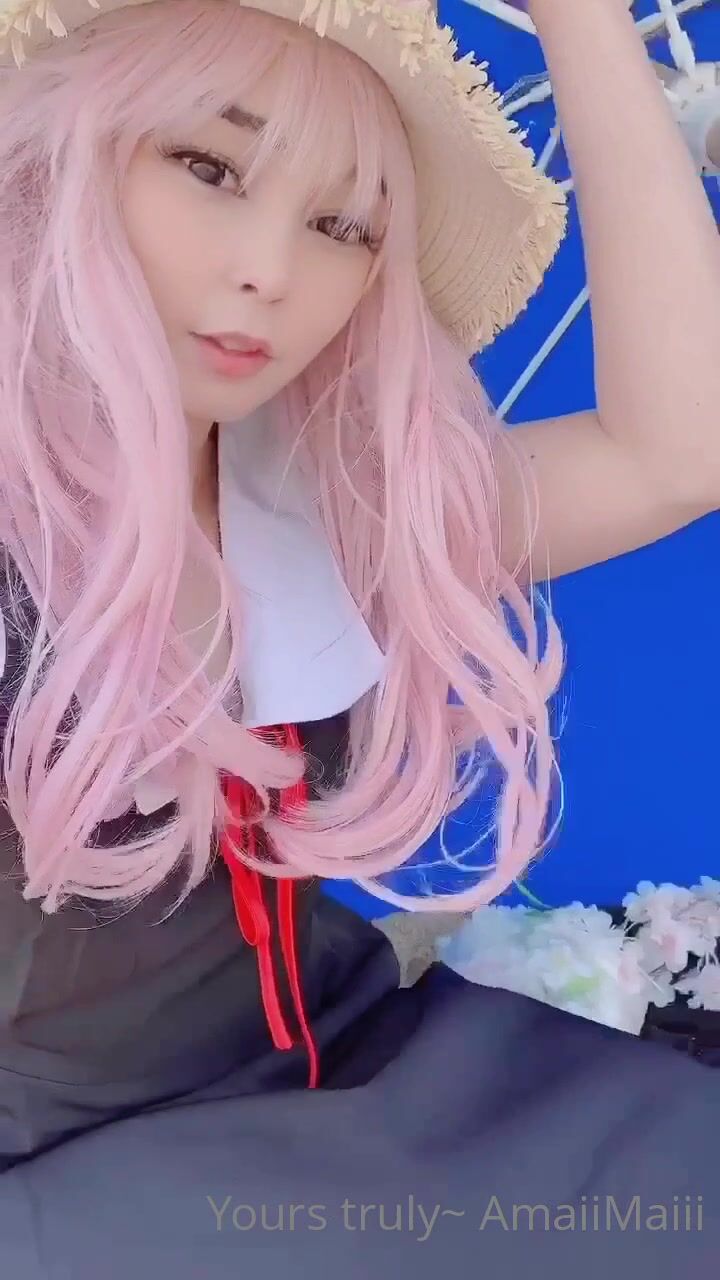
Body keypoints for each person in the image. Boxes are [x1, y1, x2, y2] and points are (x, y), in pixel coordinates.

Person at [0, 0, 719, 1273]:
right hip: (81, 1174)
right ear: (63, 149)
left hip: (359, 1070)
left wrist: (583, 22)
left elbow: (678, 450)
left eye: (343, 226)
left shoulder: (312, 505)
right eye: (211, 166)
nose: (270, 271)